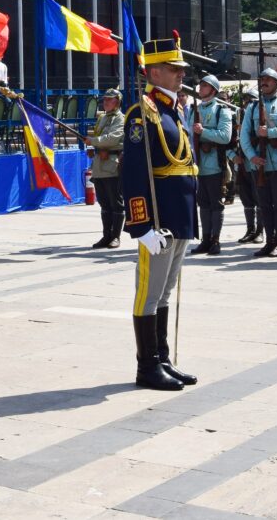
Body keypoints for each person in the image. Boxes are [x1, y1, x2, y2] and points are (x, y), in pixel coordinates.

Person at [124, 37, 197, 391]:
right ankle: (146, 366)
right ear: (153, 71)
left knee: (165, 292)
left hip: (179, 213)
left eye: (180, 68)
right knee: (148, 293)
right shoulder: (143, 113)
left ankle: (163, 359)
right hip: (158, 217)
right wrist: (141, 226)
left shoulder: (174, 110)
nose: (180, 74)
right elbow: (135, 174)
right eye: (173, 69)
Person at [237, 68, 277, 258]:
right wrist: (251, 156)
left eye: (268, 79)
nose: (264, 82)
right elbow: (244, 135)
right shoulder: (253, 107)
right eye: (262, 79)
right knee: (264, 204)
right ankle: (268, 241)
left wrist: (271, 133)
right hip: (259, 163)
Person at [191, 75, 235, 256]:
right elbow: (188, 134)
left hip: (215, 164)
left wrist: (204, 132)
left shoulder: (221, 111)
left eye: (205, 85)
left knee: (216, 204)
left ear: (214, 90)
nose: (201, 88)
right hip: (198, 164)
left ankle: (215, 240)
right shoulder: (195, 109)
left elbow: (225, 136)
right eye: (200, 85)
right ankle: (206, 239)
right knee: (203, 204)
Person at [88, 89, 125, 249]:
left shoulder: (120, 119)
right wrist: (92, 146)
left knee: (115, 202)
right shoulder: (102, 118)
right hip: (99, 164)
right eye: (104, 100)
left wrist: (94, 141)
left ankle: (115, 237)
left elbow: (113, 138)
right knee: (104, 203)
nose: (106, 102)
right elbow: (97, 136)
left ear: (117, 102)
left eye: (109, 100)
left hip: (112, 163)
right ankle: (106, 235)